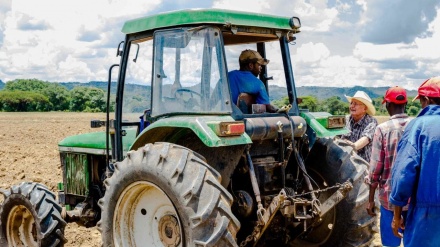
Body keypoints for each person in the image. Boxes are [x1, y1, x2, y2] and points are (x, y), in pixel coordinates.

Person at [390, 77, 440, 247]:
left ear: (426, 100)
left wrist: (397, 216)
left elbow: (404, 173)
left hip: (427, 218)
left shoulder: (418, 126)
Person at [367, 86, 411, 247]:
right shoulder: (416, 127)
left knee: (390, 244)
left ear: (387, 105)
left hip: (389, 199)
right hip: (413, 199)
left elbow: (375, 169)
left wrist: (370, 199)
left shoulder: (382, 129)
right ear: (405, 104)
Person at [342, 90, 378, 162]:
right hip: (345, 161)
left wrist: (353, 146)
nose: (352, 106)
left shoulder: (371, 122)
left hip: (363, 163)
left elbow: (366, 138)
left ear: (365, 108)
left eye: (355, 104)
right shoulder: (345, 119)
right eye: (351, 103)